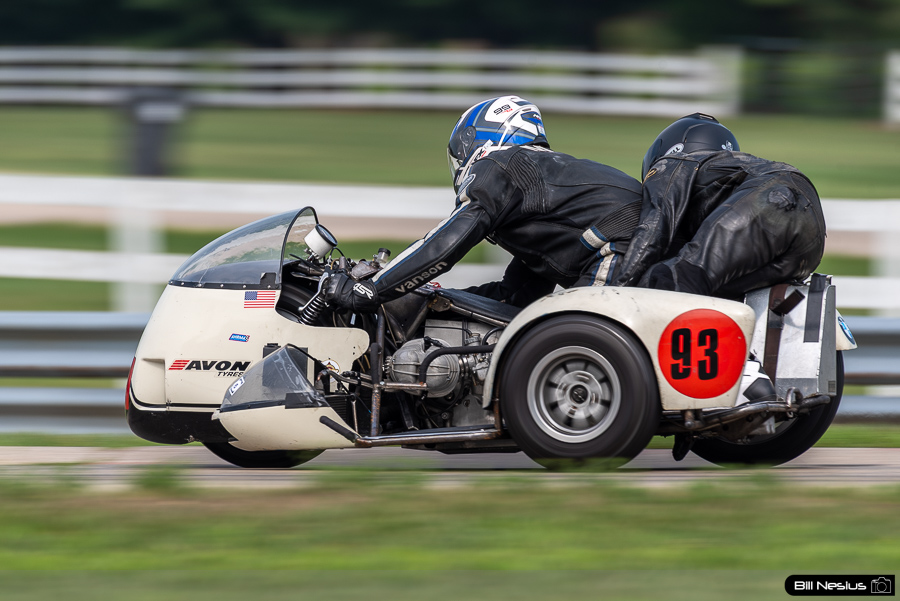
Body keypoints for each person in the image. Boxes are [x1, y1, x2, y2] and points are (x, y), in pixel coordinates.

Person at [324, 95, 644, 312]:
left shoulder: (501, 164)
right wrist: (432, 298)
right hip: (637, 249)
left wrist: (373, 288)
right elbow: (515, 297)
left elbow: (445, 244)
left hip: (620, 248)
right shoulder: (539, 188)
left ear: (477, 140)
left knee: (571, 342)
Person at [612, 113, 827, 300]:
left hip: (771, 200)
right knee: (718, 298)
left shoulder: (674, 163)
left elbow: (653, 230)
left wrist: (616, 295)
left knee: (667, 279)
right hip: (811, 236)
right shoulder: (730, 167)